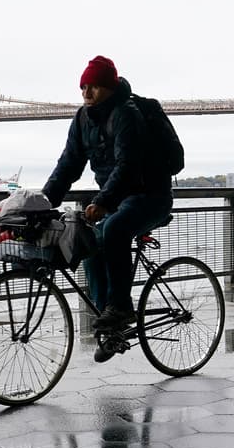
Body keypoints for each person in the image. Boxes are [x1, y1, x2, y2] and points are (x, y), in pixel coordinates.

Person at [42, 56, 173, 360]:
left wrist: (102, 202)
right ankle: (110, 327)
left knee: (113, 230)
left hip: (151, 196)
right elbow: (68, 164)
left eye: (94, 86)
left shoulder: (127, 114)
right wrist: (44, 201)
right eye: (83, 86)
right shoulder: (82, 119)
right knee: (89, 243)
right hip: (117, 197)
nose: (86, 92)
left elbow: (127, 166)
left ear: (109, 87)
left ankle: (121, 308)